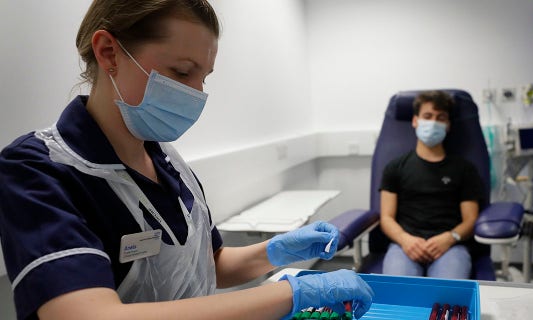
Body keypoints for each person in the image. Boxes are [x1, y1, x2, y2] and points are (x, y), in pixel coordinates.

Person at [0, 1, 373, 319]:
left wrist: (274, 251)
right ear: (109, 52)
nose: (196, 94)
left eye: (203, 78)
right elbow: (92, 315)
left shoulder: (168, 161)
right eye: (181, 72)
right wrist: (291, 294)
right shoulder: (38, 170)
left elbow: (208, 265)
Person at [379, 90, 484, 279]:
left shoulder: (464, 169)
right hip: (405, 245)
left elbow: (470, 220)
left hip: (450, 247)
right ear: (415, 121)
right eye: (427, 116)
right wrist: (405, 240)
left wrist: (450, 238)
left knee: (446, 299)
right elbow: (386, 217)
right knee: (399, 296)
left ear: (448, 125)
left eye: (440, 117)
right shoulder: (395, 167)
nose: (433, 122)